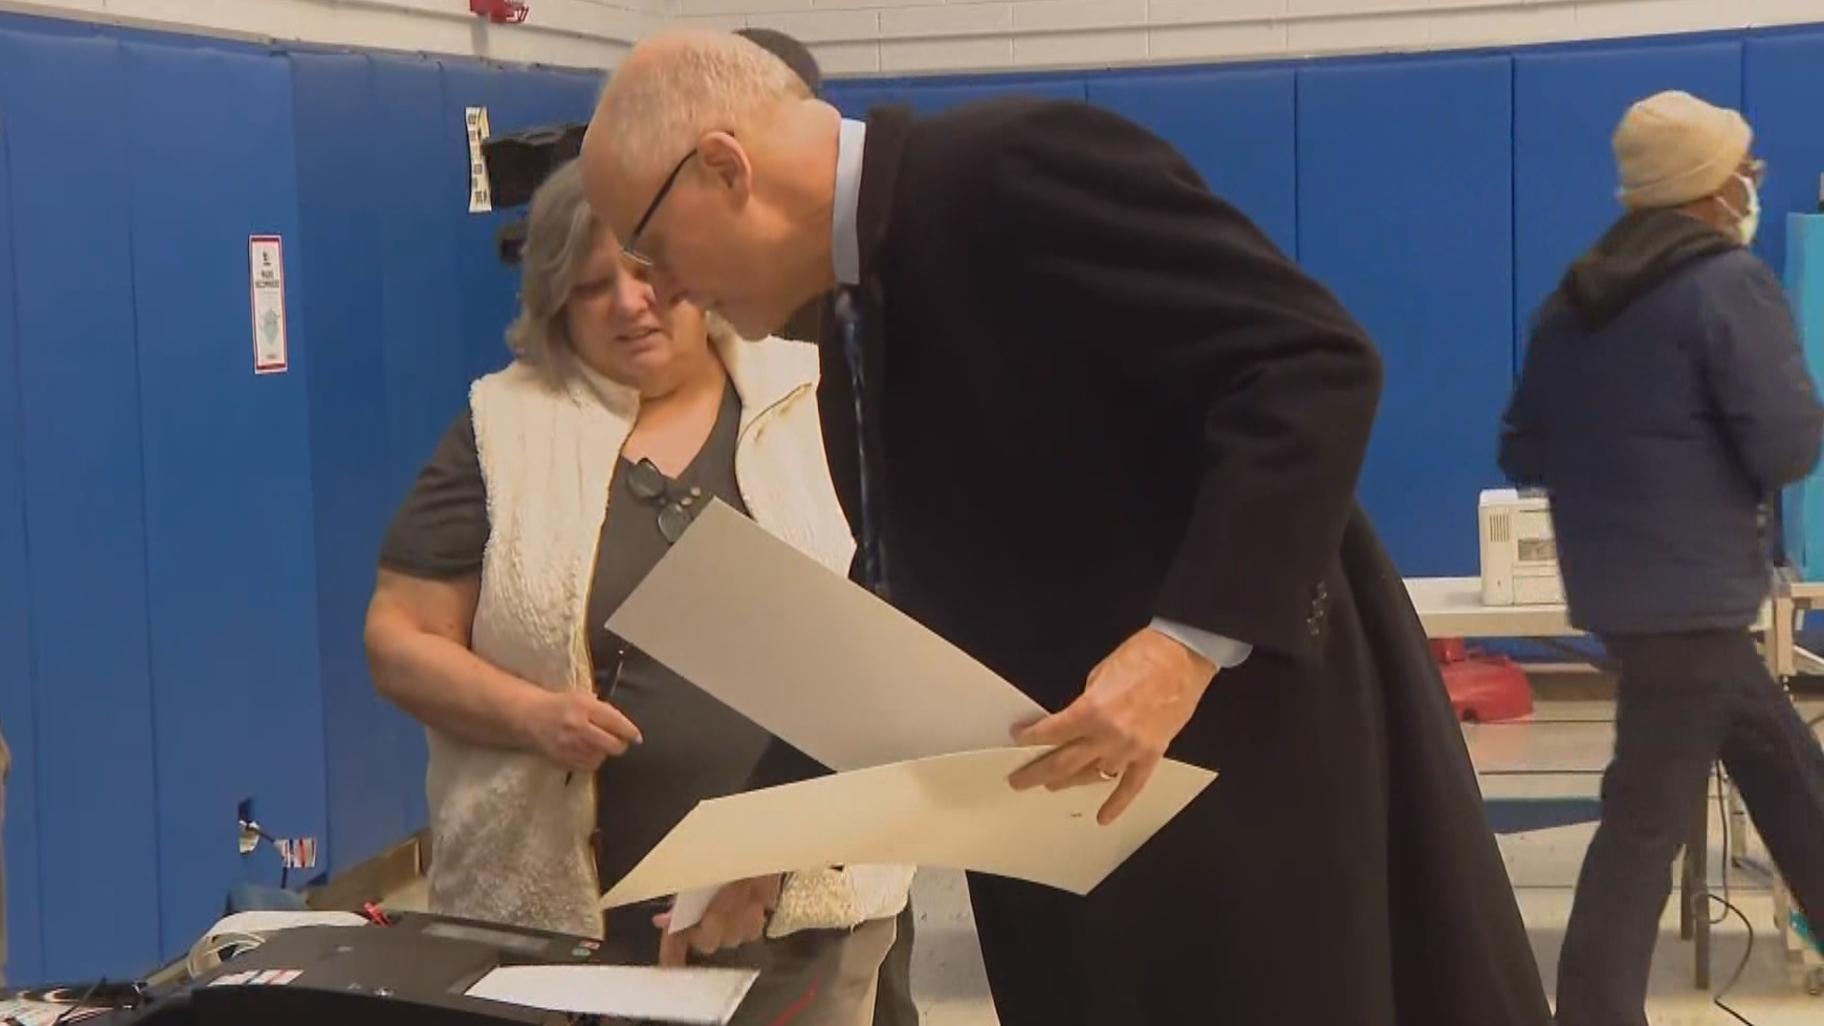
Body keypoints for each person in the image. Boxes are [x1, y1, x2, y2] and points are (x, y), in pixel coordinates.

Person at [579, 29, 1551, 1026]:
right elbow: (906, 603)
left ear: (724, 167)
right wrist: (767, 833)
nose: (663, 294)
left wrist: (1180, 650)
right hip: (1073, 840)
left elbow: (1314, 368)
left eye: (652, 252)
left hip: (1242, 802)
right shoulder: (850, 312)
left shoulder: (1015, 172)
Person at [363, 159, 911, 1026]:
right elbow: (399, 638)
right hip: (564, 935)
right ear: (553, 309)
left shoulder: (813, 395)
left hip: (800, 913)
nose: (629, 303)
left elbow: (896, 634)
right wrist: (530, 715)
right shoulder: (502, 428)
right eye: (590, 289)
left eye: (651, 273)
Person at [1500, 90, 1824, 1026]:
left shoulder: (1575, 296)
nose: (1752, 185)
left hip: (1622, 593)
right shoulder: (1730, 284)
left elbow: (1522, 446)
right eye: (1745, 171)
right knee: (1645, 821)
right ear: (1712, 187)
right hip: (1698, 594)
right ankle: (1594, 1011)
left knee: (1786, 774)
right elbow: (1786, 448)